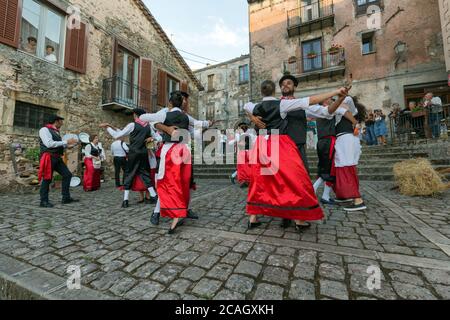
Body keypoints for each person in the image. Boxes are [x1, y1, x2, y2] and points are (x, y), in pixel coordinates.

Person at [243, 80, 350, 232]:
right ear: (277, 89)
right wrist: (252, 118)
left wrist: (338, 98)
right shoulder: (281, 104)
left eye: (289, 83)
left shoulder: (299, 105)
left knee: (284, 182)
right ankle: (295, 219)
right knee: (284, 182)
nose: (286, 85)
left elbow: (326, 112)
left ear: (294, 87)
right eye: (283, 83)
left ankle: (289, 216)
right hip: (281, 147)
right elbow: (248, 107)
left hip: (291, 147)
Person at [140, 91, 192, 234]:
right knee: (181, 181)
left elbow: (143, 117)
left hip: (170, 151)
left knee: (168, 182)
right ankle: (168, 212)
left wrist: (160, 122)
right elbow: (198, 124)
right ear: (182, 102)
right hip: (185, 150)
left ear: (170, 102)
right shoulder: (184, 116)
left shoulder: (165, 114)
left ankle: (178, 212)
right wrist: (164, 127)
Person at [100, 109, 158, 208]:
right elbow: (157, 137)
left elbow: (117, 135)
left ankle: (125, 200)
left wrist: (107, 128)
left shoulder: (132, 125)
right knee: (145, 174)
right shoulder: (148, 126)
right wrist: (152, 138)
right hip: (144, 153)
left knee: (129, 174)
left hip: (134, 153)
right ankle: (154, 196)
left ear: (135, 115)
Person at [313, 97, 359, 205]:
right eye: (329, 99)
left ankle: (324, 195)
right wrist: (355, 122)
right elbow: (344, 110)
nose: (332, 100)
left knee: (327, 168)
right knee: (330, 169)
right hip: (329, 141)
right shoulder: (329, 109)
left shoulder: (319, 111)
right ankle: (312, 190)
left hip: (322, 142)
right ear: (324, 102)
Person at [333, 96, 368, 212]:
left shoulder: (348, 109)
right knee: (344, 167)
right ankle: (345, 195)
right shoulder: (348, 112)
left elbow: (347, 100)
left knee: (347, 168)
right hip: (346, 139)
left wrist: (340, 96)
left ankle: (358, 200)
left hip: (346, 139)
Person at [38, 115, 79, 207]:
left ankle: (66, 198)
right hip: (48, 157)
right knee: (47, 179)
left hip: (57, 158)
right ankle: (43, 201)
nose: (62, 123)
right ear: (56, 121)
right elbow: (49, 144)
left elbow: (57, 144)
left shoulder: (55, 131)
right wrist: (66, 142)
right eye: (61, 121)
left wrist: (68, 146)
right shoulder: (44, 130)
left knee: (67, 175)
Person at [229, 123, 256, 187]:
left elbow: (232, 142)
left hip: (246, 152)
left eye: (239, 129)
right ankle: (244, 179)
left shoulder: (244, 135)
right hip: (244, 152)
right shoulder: (245, 135)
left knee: (245, 167)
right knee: (244, 167)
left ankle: (242, 178)